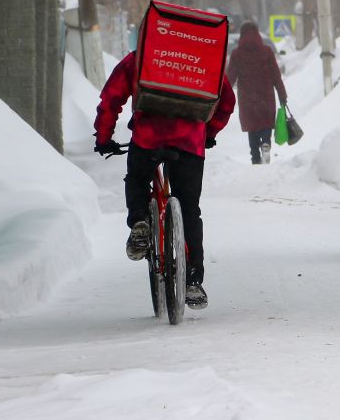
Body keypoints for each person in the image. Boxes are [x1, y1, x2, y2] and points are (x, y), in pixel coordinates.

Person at [93, 51, 236, 310]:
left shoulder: (141, 56)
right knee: (190, 209)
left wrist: (103, 137)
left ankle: (139, 221)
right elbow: (227, 101)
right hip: (190, 141)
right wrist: (208, 131)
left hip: (148, 136)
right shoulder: (203, 60)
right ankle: (192, 280)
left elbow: (111, 98)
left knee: (137, 179)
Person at [225, 21, 288, 164]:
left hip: (247, 98)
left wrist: (222, 95)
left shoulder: (236, 54)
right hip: (266, 96)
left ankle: (255, 156)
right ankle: (266, 144)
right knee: (266, 123)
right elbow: (276, 76)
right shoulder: (267, 51)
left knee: (252, 127)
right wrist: (282, 95)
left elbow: (230, 78)